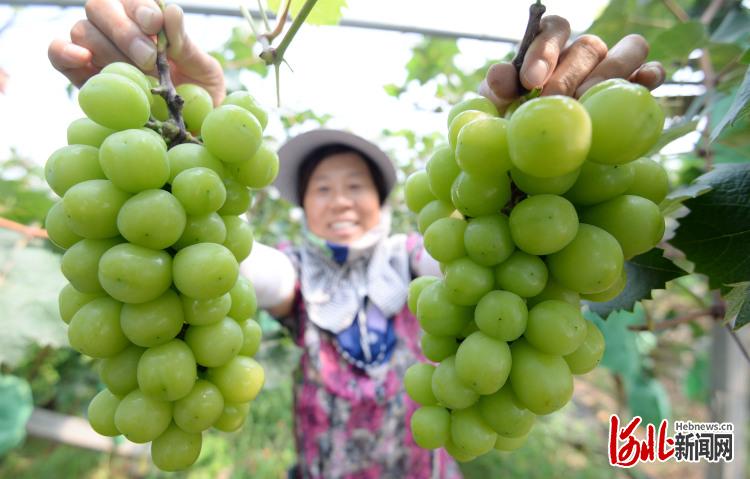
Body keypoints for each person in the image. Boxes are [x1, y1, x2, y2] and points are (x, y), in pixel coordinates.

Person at [48, 2, 665, 478]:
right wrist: (183, 143)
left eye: (354, 186)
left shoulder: (425, 258)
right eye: (321, 189)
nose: (339, 200)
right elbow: (219, 264)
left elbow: (497, 250)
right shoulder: (293, 276)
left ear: (382, 201)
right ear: (304, 208)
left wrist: (533, 141)